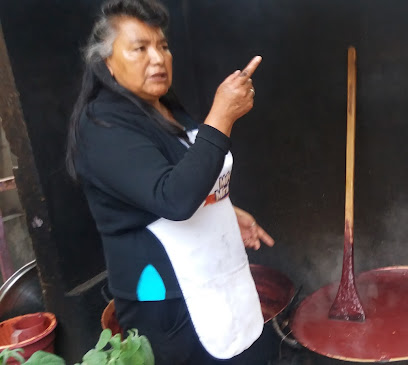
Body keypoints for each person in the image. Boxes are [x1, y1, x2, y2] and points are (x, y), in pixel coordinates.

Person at [65, 0, 275, 363]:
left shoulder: (165, 107)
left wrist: (223, 208)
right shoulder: (103, 126)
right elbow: (173, 198)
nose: (158, 58)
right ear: (106, 63)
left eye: (162, 46)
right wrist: (221, 117)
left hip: (216, 280)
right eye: (140, 48)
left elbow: (184, 175)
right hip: (168, 305)